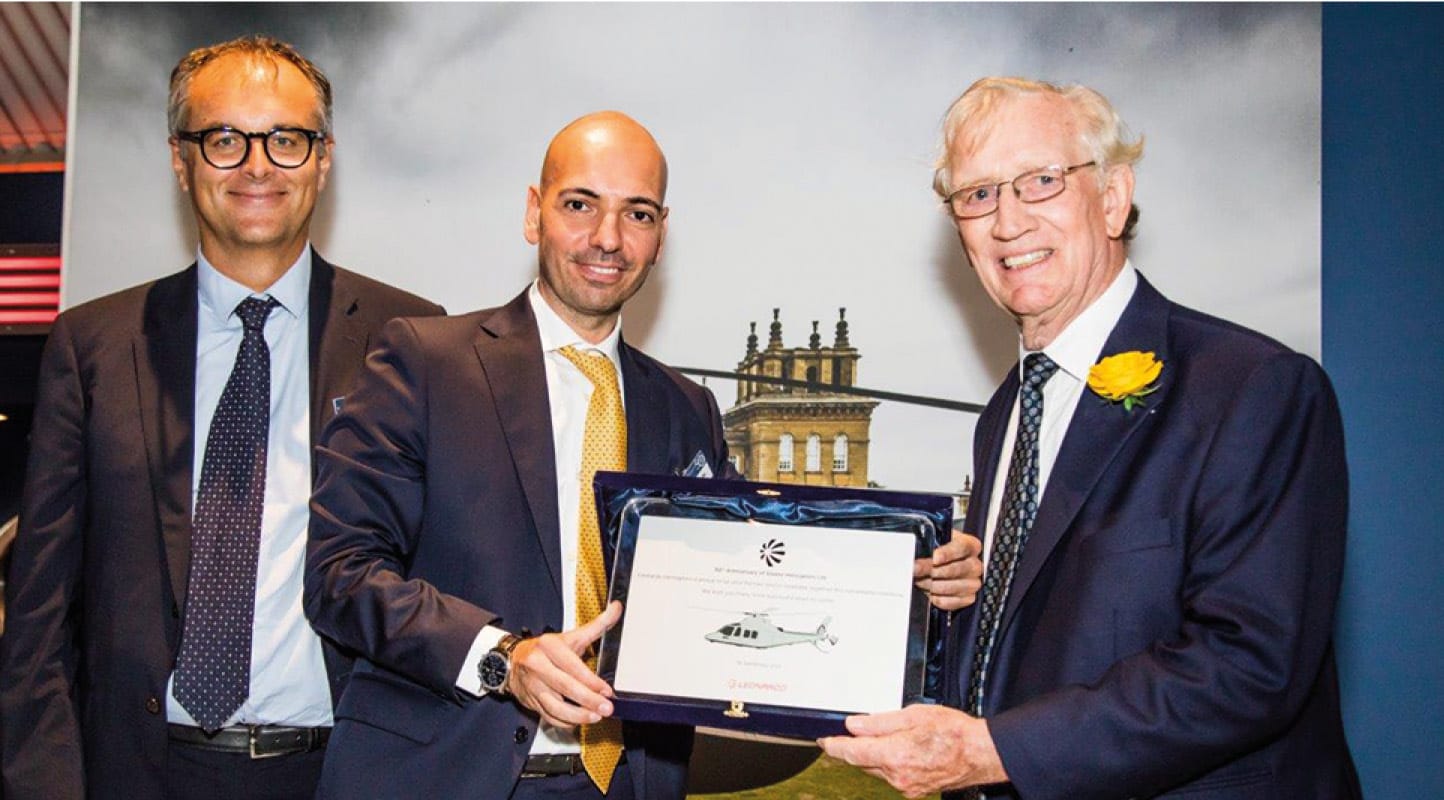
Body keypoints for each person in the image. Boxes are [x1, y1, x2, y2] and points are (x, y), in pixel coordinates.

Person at [304, 110, 981, 800]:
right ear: (534, 213)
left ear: (661, 235)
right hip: (443, 778)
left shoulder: (687, 409)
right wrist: (503, 658)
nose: (608, 238)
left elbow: (758, 567)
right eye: (580, 205)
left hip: (626, 784)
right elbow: (341, 574)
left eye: (637, 214)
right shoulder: (425, 361)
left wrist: (910, 569)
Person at [820, 76, 1361, 799]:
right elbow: (1049, 629)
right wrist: (952, 604)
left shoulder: (1254, 388)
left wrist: (992, 752)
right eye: (978, 195)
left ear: (1112, 198)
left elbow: (1249, 664)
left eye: (1041, 181)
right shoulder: (1007, 413)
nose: (1007, 222)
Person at [0, 36, 442, 800]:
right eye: (226, 139)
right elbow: (38, 618)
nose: (257, 166)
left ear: (323, 159)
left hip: (344, 773)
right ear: (181, 159)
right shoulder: (94, 346)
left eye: (286, 139)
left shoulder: (409, 340)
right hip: (139, 773)